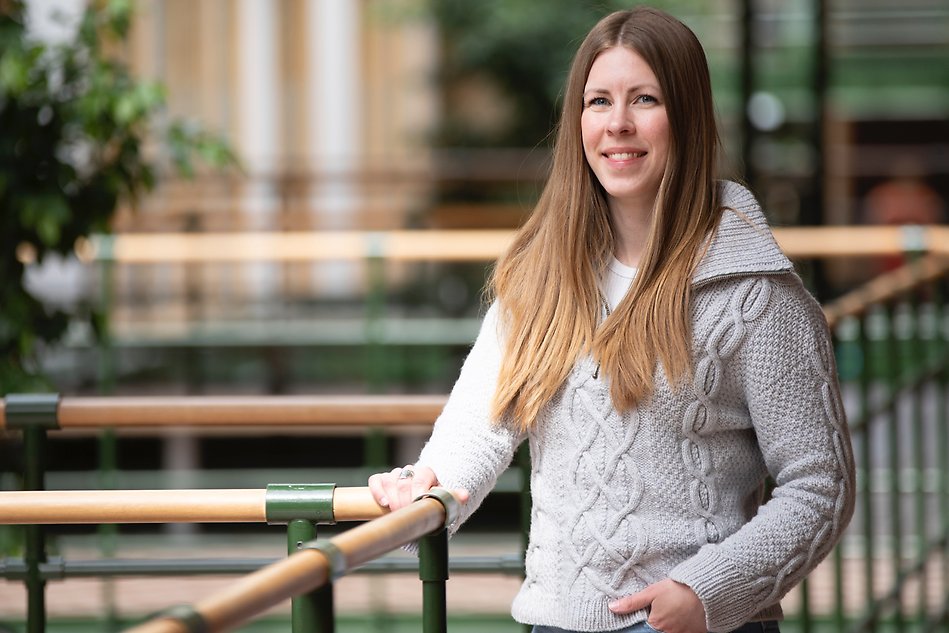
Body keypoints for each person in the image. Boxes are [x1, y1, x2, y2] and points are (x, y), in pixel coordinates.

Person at [369, 7, 855, 633]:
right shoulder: (542, 276)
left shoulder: (756, 294)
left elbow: (820, 486)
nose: (618, 124)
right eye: (599, 101)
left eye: (644, 99)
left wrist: (706, 592)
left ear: (689, 118)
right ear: (577, 122)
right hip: (554, 622)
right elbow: (482, 422)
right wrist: (429, 483)